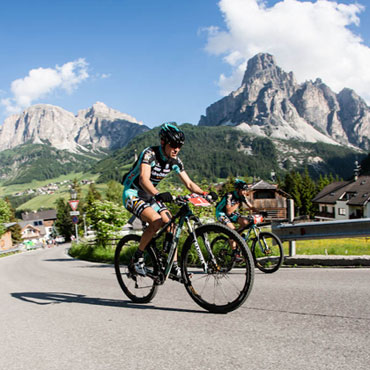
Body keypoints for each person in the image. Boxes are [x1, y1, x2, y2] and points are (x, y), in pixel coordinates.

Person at [122, 122, 216, 278]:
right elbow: (144, 180)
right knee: (156, 221)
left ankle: (172, 265)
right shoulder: (149, 154)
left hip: (150, 195)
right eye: (173, 145)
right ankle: (138, 257)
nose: (176, 149)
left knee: (171, 224)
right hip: (133, 193)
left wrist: (205, 193)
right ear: (163, 142)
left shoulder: (175, 161)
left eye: (179, 145)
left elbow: (189, 184)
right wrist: (159, 194)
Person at [215, 179, 257, 258]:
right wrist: (237, 204)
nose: (244, 192)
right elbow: (229, 211)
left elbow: (250, 206)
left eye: (245, 190)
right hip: (221, 213)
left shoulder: (242, 196)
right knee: (233, 231)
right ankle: (235, 252)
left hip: (231, 213)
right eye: (243, 190)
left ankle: (236, 237)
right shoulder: (229, 196)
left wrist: (260, 212)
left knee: (245, 222)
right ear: (237, 189)